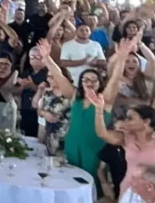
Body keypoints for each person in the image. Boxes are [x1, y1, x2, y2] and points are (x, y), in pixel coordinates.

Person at [38, 38, 123, 182]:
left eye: (93, 80)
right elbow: (59, 76)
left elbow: (115, 79)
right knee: (68, 181)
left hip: (93, 148)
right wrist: (47, 58)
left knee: (91, 183)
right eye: (85, 80)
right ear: (80, 82)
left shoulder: (105, 101)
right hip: (71, 146)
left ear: (99, 83)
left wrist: (122, 58)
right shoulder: (74, 98)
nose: (89, 83)